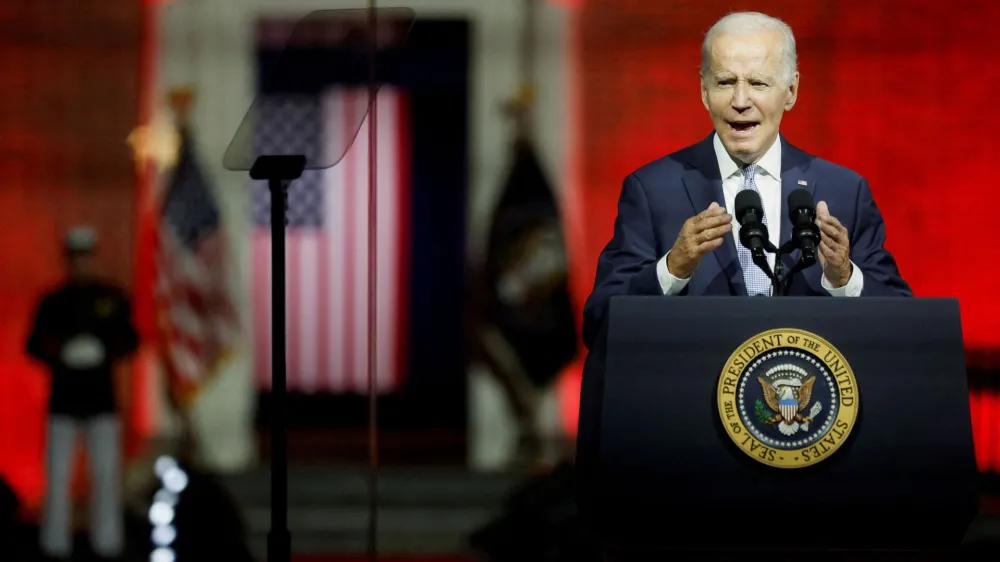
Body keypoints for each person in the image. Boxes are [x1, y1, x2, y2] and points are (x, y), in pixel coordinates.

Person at [581, 11, 911, 349]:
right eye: (725, 82)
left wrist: (845, 279)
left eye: (757, 83)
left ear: (791, 91)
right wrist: (672, 268)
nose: (740, 101)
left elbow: (904, 328)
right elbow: (599, 322)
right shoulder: (652, 190)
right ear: (704, 91)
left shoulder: (844, 192)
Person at [25, 226, 139, 561]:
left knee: (105, 476)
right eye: (75, 257)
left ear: (92, 257)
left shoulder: (111, 297)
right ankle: (54, 544)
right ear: (68, 259)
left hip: (101, 402)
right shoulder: (53, 301)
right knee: (57, 478)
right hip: (63, 403)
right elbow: (33, 345)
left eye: (85, 257)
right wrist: (60, 352)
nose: (80, 264)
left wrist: (103, 349)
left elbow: (130, 340)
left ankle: (108, 543)